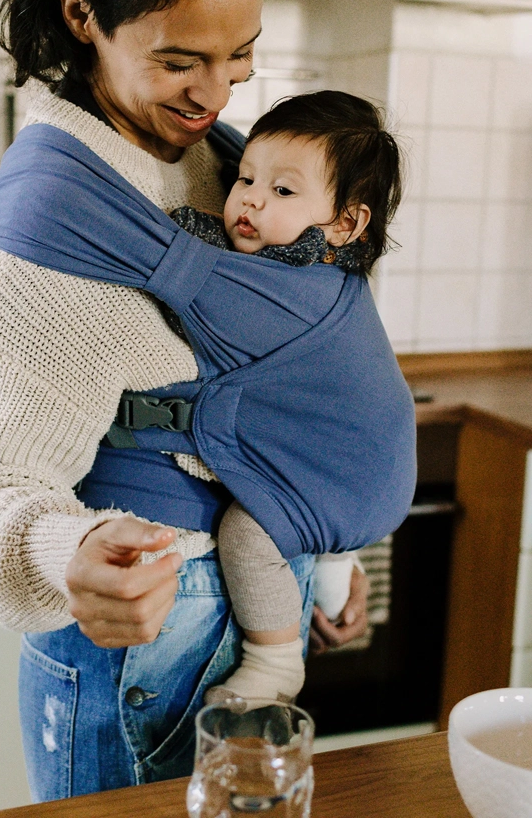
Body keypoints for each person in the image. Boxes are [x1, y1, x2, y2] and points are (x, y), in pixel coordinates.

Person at [0, 0, 370, 801]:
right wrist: (69, 552)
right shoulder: (49, 223)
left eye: (239, 54)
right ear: (81, 12)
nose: (214, 91)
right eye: (179, 59)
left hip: (259, 603)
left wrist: (322, 540)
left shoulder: (231, 161)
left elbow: (284, 371)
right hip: (140, 644)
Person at [159, 90, 402, 705]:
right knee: (314, 543)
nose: (251, 199)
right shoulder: (324, 271)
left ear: (345, 224)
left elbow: (180, 275)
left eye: (284, 190)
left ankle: (274, 662)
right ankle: (332, 576)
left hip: (345, 470)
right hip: (351, 458)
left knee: (248, 533)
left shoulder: (289, 291)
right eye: (244, 178)